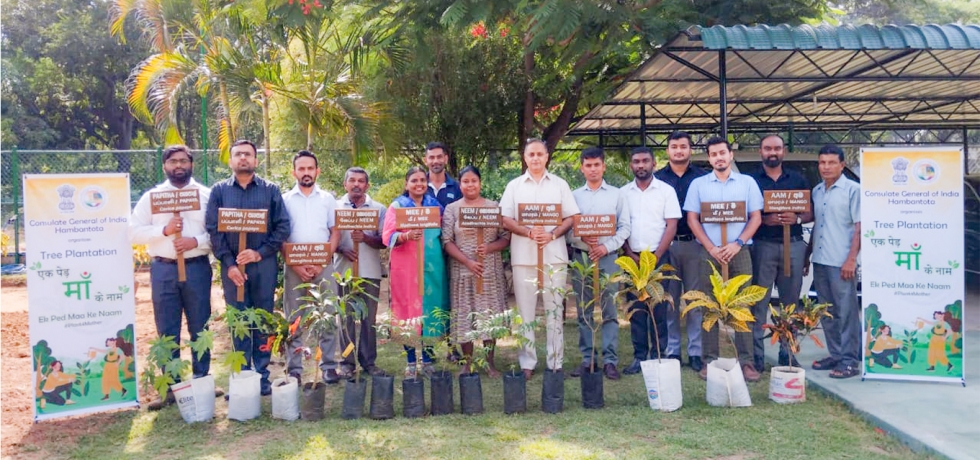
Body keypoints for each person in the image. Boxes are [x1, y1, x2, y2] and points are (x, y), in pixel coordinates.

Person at [130, 144, 220, 410]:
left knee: (199, 327)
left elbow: (217, 234)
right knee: (167, 328)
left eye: (183, 161)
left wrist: (196, 241)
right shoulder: (152, 197)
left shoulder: (206, 195)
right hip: (163, 269)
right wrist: (165, 230)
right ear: (164, 167)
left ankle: (202, 381)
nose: (178, 166)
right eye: (173, 162)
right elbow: (133, 233)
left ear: (191, 164)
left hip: (197, 268)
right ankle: (171, 387)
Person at [206, 139, 291, 395]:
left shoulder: (270, 190)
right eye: (238, 154)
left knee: (263, 320)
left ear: (256, 160)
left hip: (263, 267)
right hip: (232, 270)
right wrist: (230, 264)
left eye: (248, 154)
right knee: (239, 320)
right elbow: (213, 229)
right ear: (231, 160)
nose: (243, 158)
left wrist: (259, 253)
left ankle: (262, 376)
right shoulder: (220, 191)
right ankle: (241, 378)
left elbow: (282, 227)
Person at [684, 136, 764, 382]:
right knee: (708, 306)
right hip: (708, 253)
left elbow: (756, 217)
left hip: (739, 252)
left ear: (730, 155)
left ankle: (747, 361)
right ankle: (710, 360)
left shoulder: (747, 182)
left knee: (742, 306)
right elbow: (692, 219)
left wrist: (737, 244)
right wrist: (711, 247)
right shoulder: (698, 184)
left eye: (722, 152)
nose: (718, 157)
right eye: (713, 154)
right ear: (709, 158)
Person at [500, 138, 580, 380]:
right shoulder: (514, 186)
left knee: (554, 310)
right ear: (525, 158)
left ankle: (556, 362)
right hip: (524, 257)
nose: (535, 158)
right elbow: (505, 218)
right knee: (526, 312)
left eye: (539, 154)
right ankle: (528, 362)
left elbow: (571, 216)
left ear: (547, 157)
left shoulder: (559, 185)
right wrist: (527, 232)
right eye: (531, 154)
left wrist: (553, 233)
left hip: (553, 256)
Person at [747, 135, 813, 371]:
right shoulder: (751, 180)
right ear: (760, 151)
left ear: (783, 150)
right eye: (767, 148)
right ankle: (756, 357)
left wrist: (795, 217)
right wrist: (765, 219)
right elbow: (744, 213)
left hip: (793, 244)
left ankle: (788, 353)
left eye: (776, 148)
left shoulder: (797, 178)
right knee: (759, 303)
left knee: (790, 304)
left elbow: (809, 213)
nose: (772, 152)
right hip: (762, 245)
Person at [567, 147, 630, 380]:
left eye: (597, 164)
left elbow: (624, 227)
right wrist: (582, 238)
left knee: (609, 309)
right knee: (583, 310)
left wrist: (606, 246)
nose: (593, 169)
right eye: (588, 165)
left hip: (608, 257)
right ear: (582, 168)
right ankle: (587, 359)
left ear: (603, 166)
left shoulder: (617, 195)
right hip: (582, 257)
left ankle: (610, 360)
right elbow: (568, 228)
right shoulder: (573, 196)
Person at [442, 165, 511, 377]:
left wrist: (489, 248)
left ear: (480, 183)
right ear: (460, 185)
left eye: (474, 181)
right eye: (465, 181)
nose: (470, 185)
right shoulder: (452, 209)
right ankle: (468, 363)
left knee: (489, 316)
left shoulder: (493, 207)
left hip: (489, 271)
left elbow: (506, 237)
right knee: (465, 316)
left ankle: (490, 363)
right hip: (462, 271)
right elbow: (446, 241)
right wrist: (467, 261)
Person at [382, 166, 450, 379]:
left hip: (432, 266)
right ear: (406, 184)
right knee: (407, 312)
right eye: (414, 180)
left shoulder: (435, 206)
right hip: (406, 268)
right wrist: (406, 236)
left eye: (422, 180)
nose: (419, 184)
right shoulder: (397, 206)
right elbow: (387, 236)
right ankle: (411, 361)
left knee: (431, 310)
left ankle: (428, 359)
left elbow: (445, 232)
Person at [281, 150, 341, 385]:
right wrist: (295, 264)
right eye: (301, 168)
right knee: (294, 317)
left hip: (323, 265)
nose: (306, 173)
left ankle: (328, 366)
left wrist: (322, 261)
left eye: (310, 168)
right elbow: (280, 236)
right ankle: (294, 368)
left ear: (317, 171)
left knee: (327, 314)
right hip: (294, 266)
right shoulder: (284, 200)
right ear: (294, 171)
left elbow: (335, 231)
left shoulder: (327, 199)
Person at [622, 146, 682, 375]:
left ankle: (659, 354)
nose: (641, 165)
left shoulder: (666, 191)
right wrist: (629, 252)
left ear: (653, 163)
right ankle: (639, 356)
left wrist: (656, 256)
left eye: (645, 161)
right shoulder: (624, 193)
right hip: (632, 259)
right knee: (636, 309)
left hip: (660, 256)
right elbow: (622, 227)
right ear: (631, 165)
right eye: (636, 161)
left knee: (658, 307)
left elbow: (671, 225)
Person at [652, 132, 708, 372]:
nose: (678, 151)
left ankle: (695, 351)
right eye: (674, 147)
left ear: (690, 150)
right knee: (670, 300)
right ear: (667, 151)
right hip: (666, 245)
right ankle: (673, 350)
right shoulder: (656, 180)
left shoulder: (703, 178)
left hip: (695, 244)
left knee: (695, 299)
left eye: (683, 147)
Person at [805, 144, 861, 379]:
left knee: (846, 312)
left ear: (842, 164)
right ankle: (836, 355)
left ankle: (850, 360)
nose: (826, 167)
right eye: (822, 162)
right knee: (826, 311)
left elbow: (860, 227)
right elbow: (817, 224)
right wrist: (808, 256)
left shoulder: (853, 190)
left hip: (841, 262)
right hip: (820, 260)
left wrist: (851, 260)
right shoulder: (818, 191)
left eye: (831, 163)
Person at [334, 167, 387, 378]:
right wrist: (341, 249)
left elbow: (384, 241)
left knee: (369, 319)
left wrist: (365, 238)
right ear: (345, 184)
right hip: (343, 272)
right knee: (345, 319)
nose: (356, 184)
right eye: (352, 180)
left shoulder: (378, 209)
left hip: (370, 272)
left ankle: (368, 361)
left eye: (361, 181)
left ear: (367, 185)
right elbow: (329, 236)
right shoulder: (335, 207)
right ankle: (346, 363)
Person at [424, 141, 463, 207]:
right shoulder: (419, 187)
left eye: (439, 157)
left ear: (446, 159)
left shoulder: (457, 187)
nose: (436, 161)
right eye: (431, 157)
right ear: (425, 161)